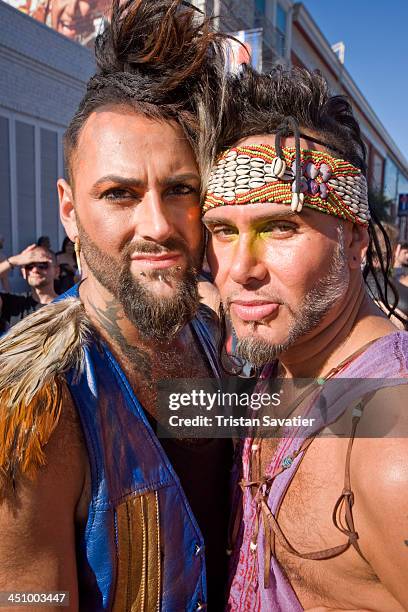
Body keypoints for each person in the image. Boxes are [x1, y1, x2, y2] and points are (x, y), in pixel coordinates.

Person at [0, 2, 231, 610]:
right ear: (69, 210)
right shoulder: (33, 406)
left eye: (180, 189)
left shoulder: (211, 337)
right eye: (119, 194)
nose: (156, 225)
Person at [201, 66, 408, 610]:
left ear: (356, 240)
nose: (240, 268)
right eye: (223, 231)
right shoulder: (275, 365)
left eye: (281, 227)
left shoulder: (392, 454)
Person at [0, 244, 56, 333]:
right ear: (23, 272)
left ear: (57, 271)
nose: (35, 270)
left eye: (42, 265)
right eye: (29, 266)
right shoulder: (13, 303)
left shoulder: (68, 304)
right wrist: (13, 261)